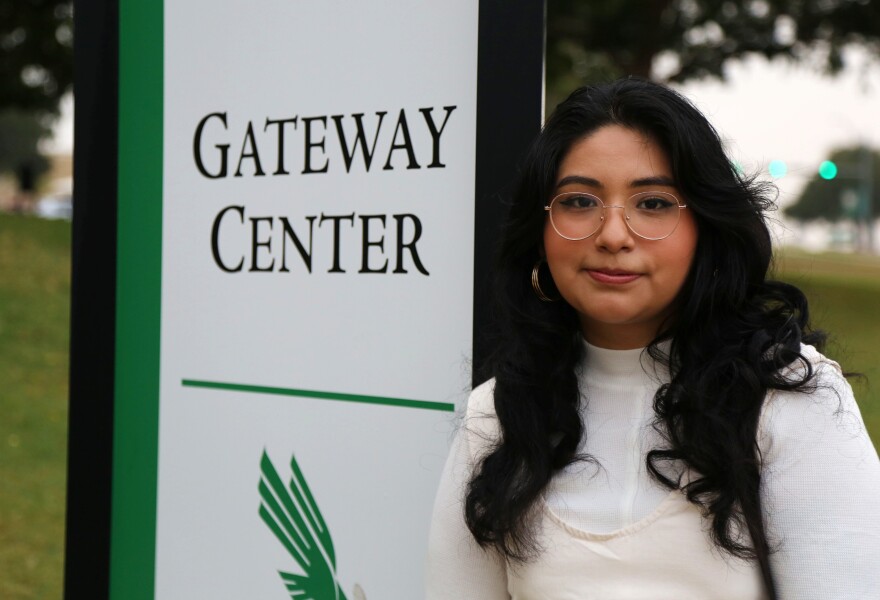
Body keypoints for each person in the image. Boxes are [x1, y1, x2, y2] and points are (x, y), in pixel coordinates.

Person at [425, 78, 880, 599]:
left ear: (704, 227)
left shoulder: (789, 399)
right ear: (541, 227)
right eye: (578, 201)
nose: (613, 235)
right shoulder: (497, 415)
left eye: (654, 203)